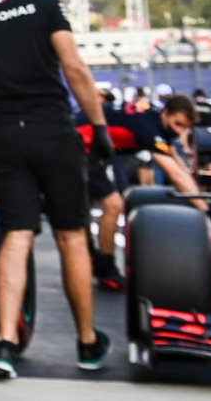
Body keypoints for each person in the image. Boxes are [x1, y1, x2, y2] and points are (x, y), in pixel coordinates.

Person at [0, 0, 112, 378]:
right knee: (71, 236)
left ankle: (4, 344)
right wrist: (99, 126)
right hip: (52, 130)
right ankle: (87, 342)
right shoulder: (45, 7)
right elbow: (74, 67)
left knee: (17, 235)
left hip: (5, 134)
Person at [74, 87, 127, 291]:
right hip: (82, 157)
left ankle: (98, 262)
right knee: (111, 205)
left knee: (87, 210)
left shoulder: (105, 112)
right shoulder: (86, 114)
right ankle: (103, 265)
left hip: (89, 158)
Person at [127, 94, 201, 194]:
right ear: (165, 113)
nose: (180, 131)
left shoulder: (160, 118)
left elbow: (173, 154)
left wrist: (189, 178)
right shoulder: (149, 127)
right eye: (178, 124)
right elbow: (176, 174)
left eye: (185, 127)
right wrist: (199, 199)